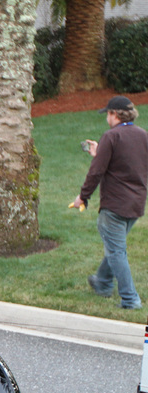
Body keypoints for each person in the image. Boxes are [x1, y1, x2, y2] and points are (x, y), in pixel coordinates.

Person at [74, 95, 148, 310]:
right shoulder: (143, 135)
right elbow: (126, 163)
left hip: (114, 205)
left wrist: (82, 197)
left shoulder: (111, 136)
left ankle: (130, 299)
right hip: (135, 205)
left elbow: (96, 171)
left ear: (114, 114)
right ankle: (103, 283)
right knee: (115, 246)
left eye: (108, 113)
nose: (107, 117)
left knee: (116, 251)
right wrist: (99, 154)